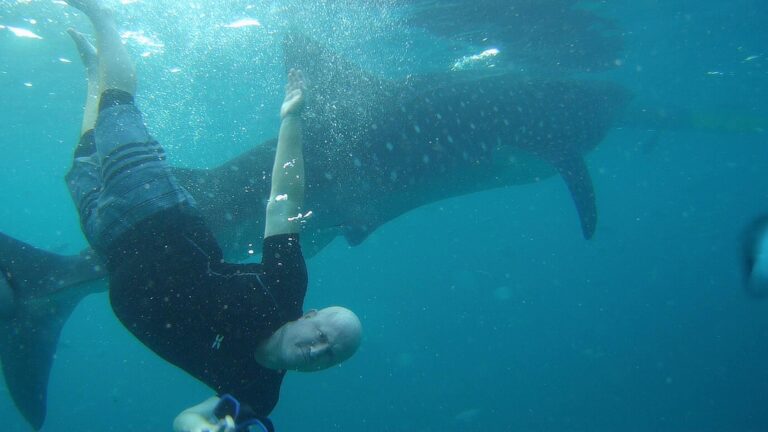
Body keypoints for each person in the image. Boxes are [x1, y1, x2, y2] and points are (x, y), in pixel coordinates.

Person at [64, 1, 363, 431]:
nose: (317, 350)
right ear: (308, 315)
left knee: (83, 163)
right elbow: (283, 202)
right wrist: (291, 119)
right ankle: (103, 18)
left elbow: (189, 417)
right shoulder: (284, 287)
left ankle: (96, 72)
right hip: (155, 213)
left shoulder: (260, 394)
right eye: (321, 337)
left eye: (330, 355)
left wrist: (203, 431)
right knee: (118, 106)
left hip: (110, 244)